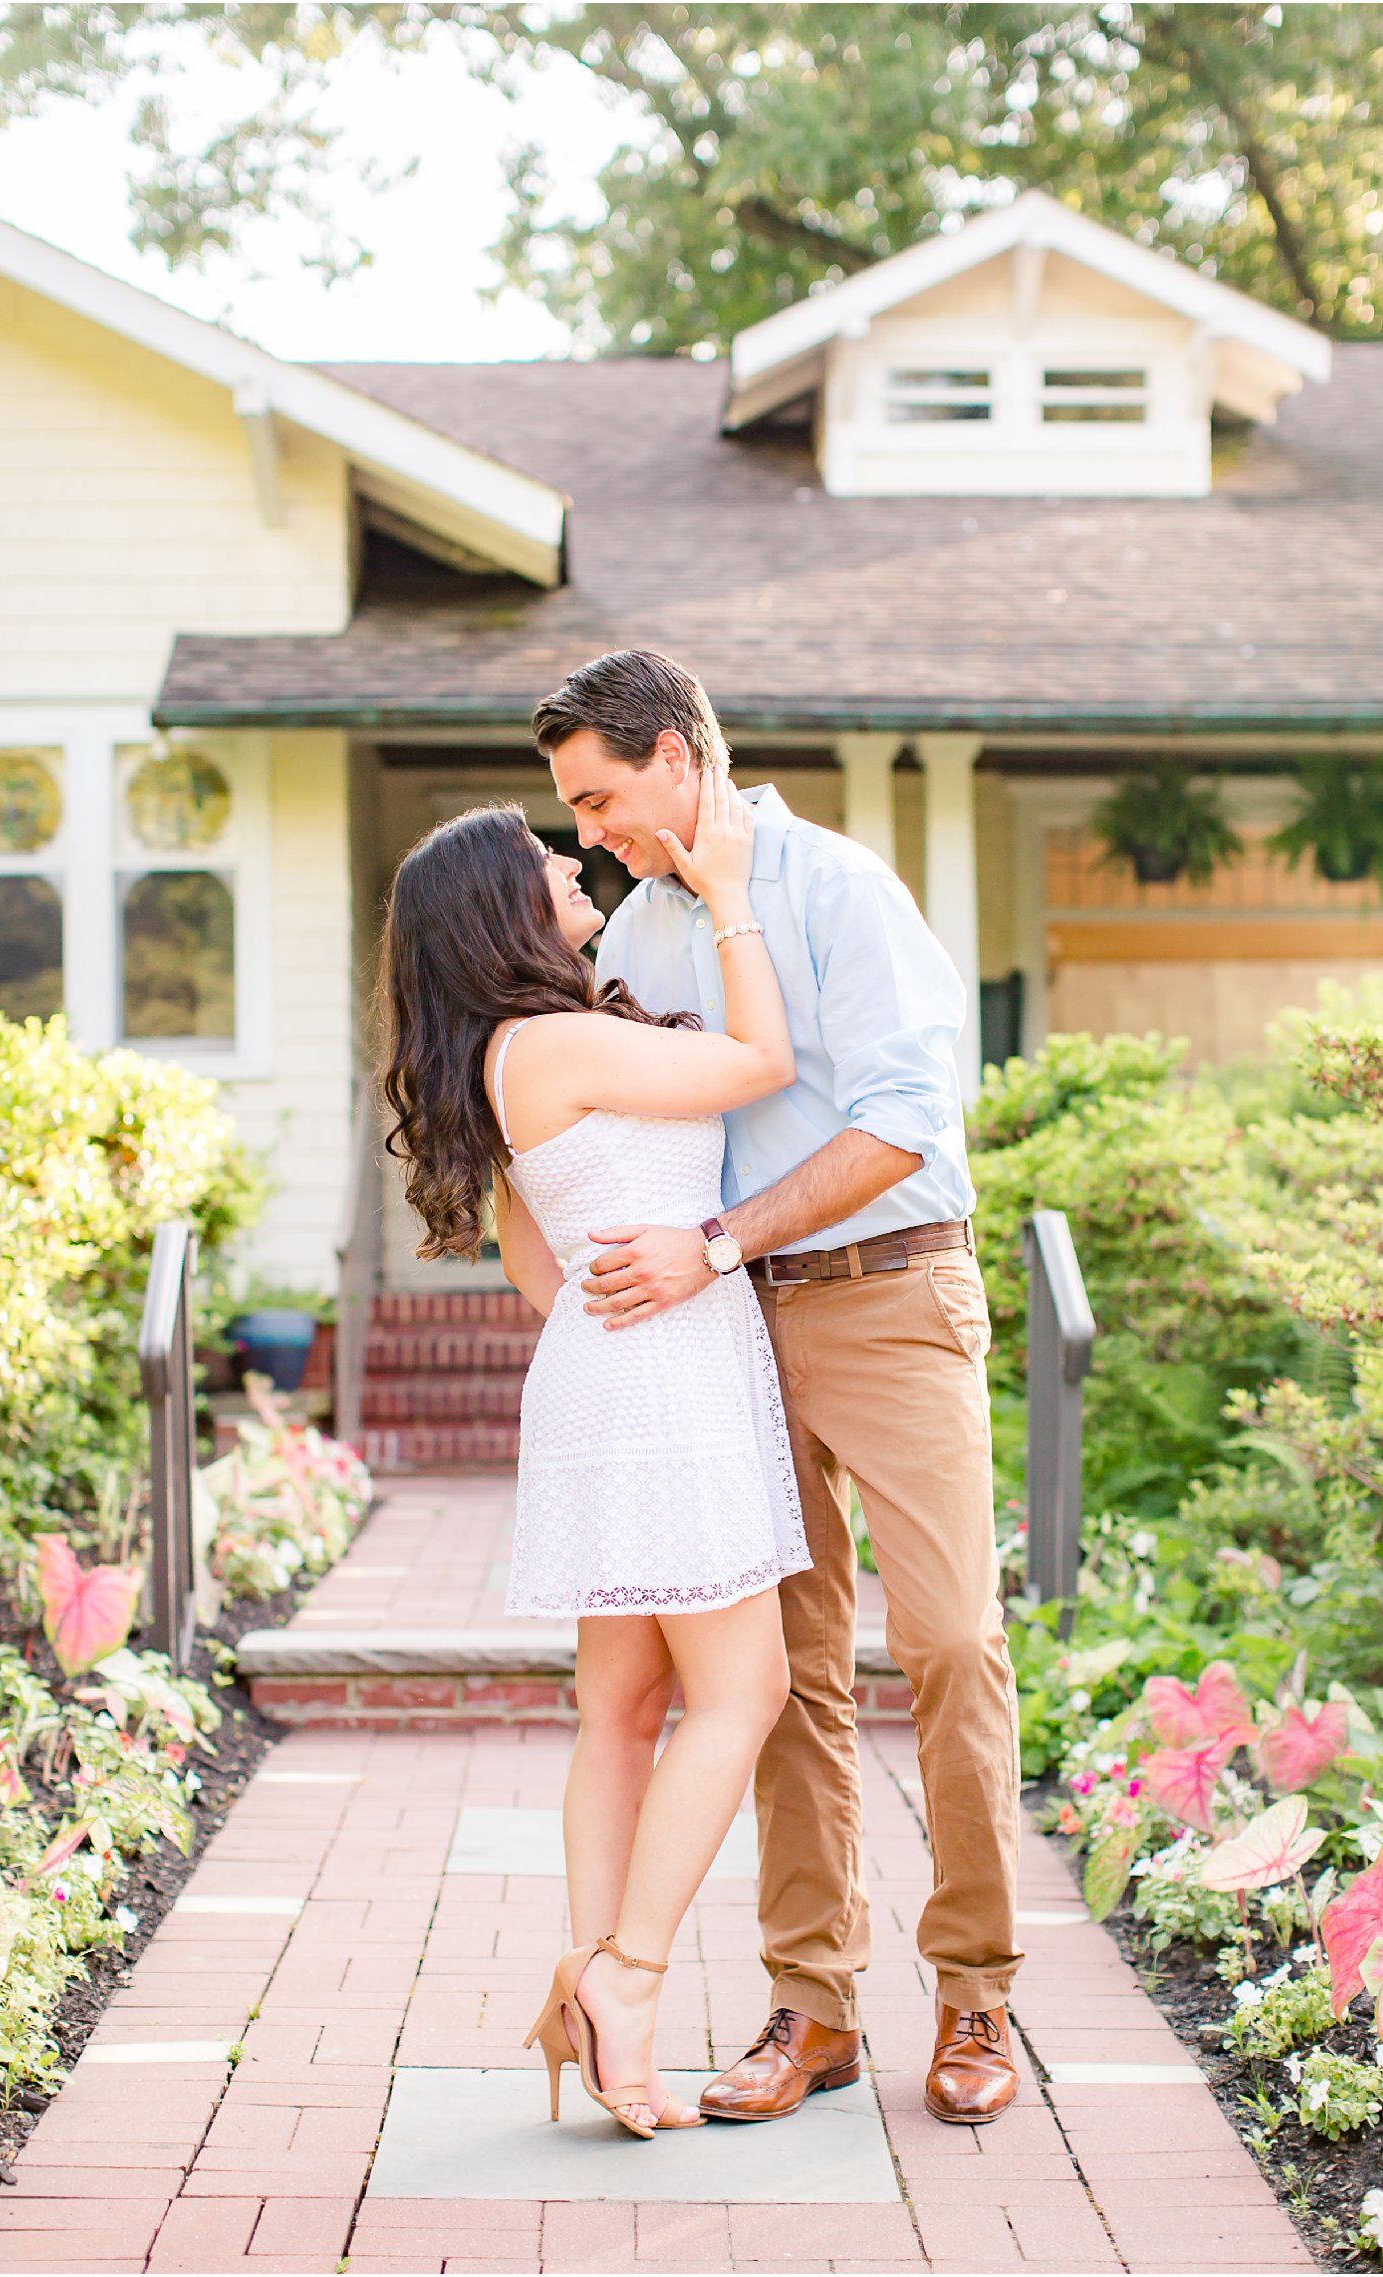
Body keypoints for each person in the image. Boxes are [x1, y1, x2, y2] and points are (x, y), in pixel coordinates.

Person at [533, 648, 1023, 2127]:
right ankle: (812, 2004)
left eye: (604, 798)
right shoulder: (643, 939)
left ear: (681, 756)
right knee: (786, 1676)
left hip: (889, 1294)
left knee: (944, 1641)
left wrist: (720, 1239)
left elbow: (901, 1122)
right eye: (573, 813)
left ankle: (978, 1987)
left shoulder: (841, 888)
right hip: (733, 1330)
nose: (593, 835)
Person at [378, 768, 811, 2140]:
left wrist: (610, 1309)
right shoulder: (550, 1043)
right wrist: (733, 899)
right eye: (543, 856)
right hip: (664, 1370)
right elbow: (761, 1065)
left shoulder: (518, 1047)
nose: (574, 860)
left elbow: (535, 1263)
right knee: (744, 1690)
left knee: (622, 1705)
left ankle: (590, 1982)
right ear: (500, 910)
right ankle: (628, 1973)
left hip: (616, 1366)